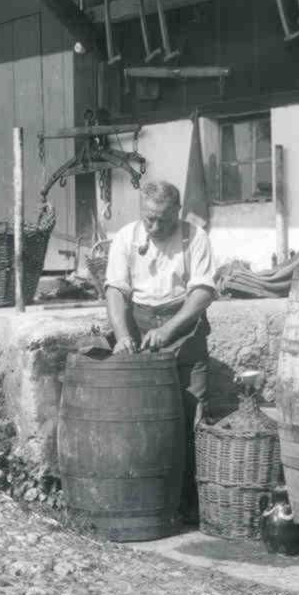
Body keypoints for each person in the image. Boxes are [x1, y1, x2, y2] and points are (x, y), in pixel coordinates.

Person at [103, 180, 216, 524]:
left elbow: (202, 292)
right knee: (139, 415)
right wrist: (123, 335)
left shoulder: (195, 238)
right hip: (138, 323)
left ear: (176, 213)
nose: (154, 227)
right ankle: (142, 499)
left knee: (189, 411)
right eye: (149, 218)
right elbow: (115, 290)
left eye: (163, 220)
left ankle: (188, 505)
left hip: (183, 324)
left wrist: (169, 330)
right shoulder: (125, 237)